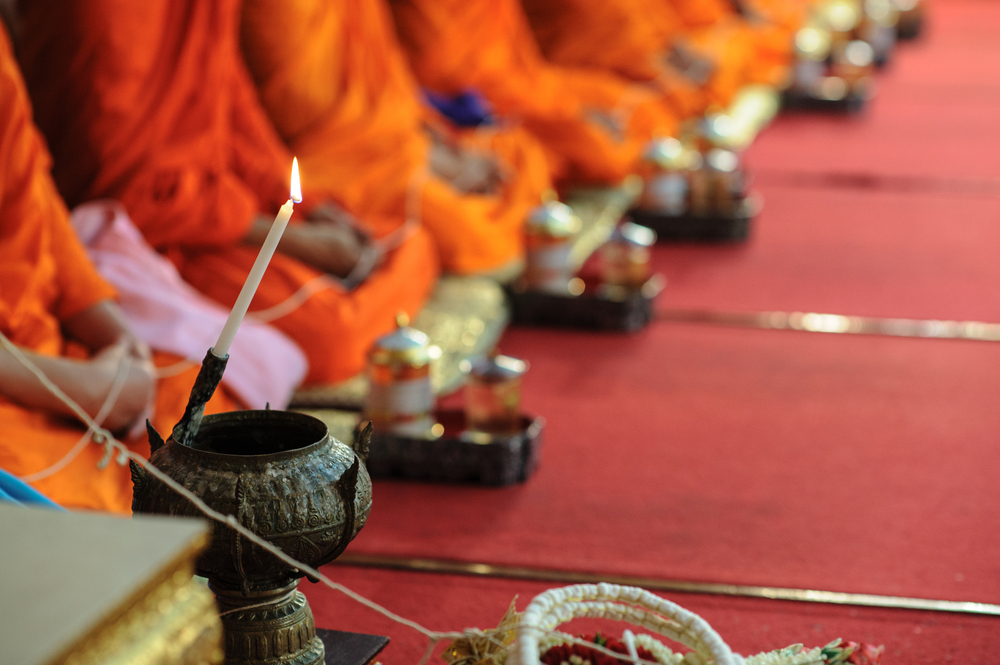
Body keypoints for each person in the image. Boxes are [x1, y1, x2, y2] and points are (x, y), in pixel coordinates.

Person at [17, 0, 440, 387]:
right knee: (332, 335)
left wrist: (305, 207)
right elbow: (127, 195)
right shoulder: (113, 14)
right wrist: (296, 239)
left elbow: (235, 114)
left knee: (410, 240)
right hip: (152, 241)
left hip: (222, 212)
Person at [0, 23, 241, 513]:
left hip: (45, 349)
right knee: (52, 498)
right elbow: (121, 176)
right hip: (23, 391)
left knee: (203, 418)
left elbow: (36, 205)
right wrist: (90, 391)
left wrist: (113, 332)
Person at [240, 0, 554, 277]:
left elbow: (393, 84)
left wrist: (433, 140)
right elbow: (306, 112)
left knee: (526, 158)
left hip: (396, 140)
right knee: (465, 236)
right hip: (339, 162)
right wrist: (419, 155)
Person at [387, 0, 680, 186]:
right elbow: (445, 86)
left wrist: (662, 46)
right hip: (454, 119)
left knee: (645, 114)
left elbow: (521, 65)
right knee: (529, 170)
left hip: (526, 89)